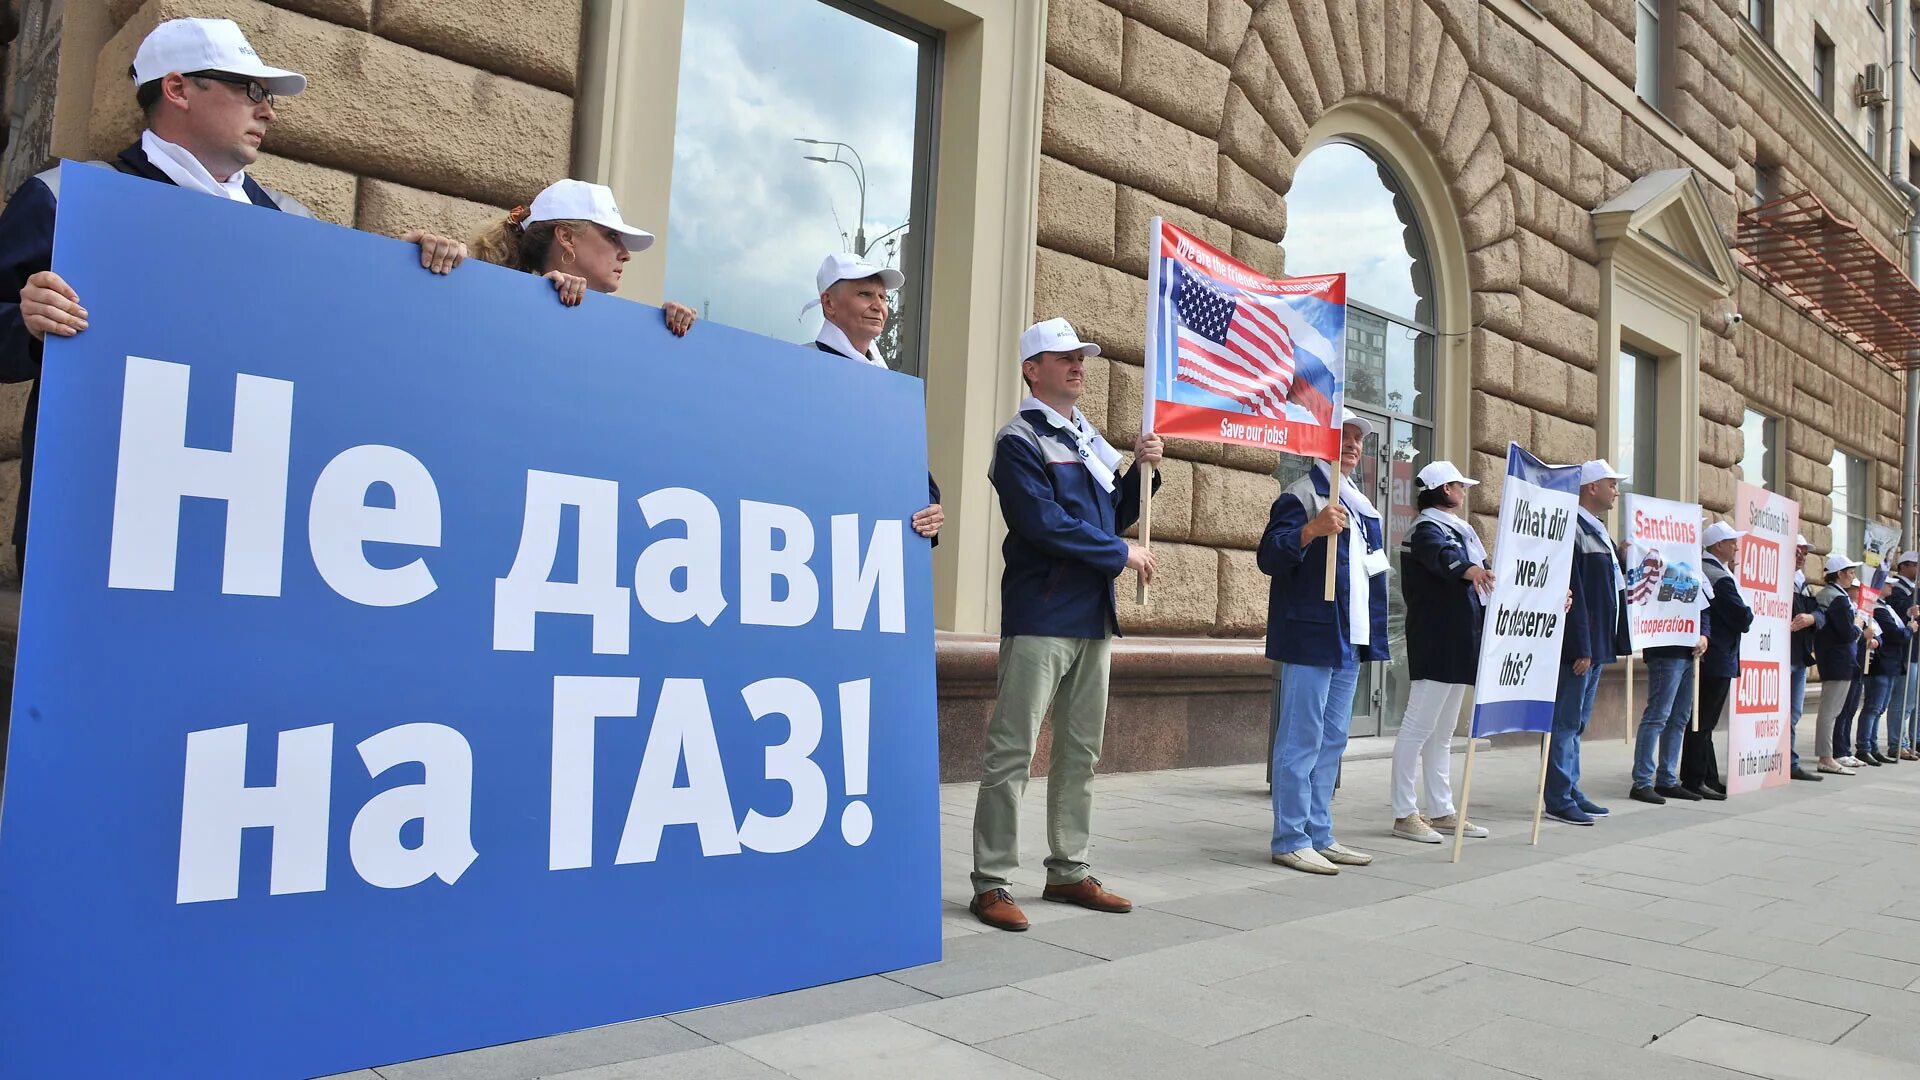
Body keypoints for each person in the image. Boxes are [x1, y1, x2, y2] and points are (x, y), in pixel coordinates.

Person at [0, 17, 468, 578]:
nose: (268, 110)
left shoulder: (294, 225)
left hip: (251, 537)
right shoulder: (66, 198)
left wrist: (404, 276)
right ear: (177, 90)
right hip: (92, 529)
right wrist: (25, 321)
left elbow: (344, 352)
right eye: (251, 90)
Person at [967, 317, 1161, 932]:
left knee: (1081, 751)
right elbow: (1042, 523)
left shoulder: (1087, 438)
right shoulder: (1017, 439)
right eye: (1063, 356)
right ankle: (991, 880)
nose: (1078, 364)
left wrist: (1142, 470)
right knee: (1013, 751)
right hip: (1041, 613)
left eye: (1081, 356)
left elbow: (1118, 515)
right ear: (1032, 368)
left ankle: (1068, 869)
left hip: (1090, 616)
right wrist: (1119, 556)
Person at [1259, 409, 1389, 874]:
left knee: (1332, 739)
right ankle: (1290, 836)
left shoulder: (1360, 503)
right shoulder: (1301, 495)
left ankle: (1319, 831)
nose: (1352, 444)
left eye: (1357, 439)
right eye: (1344, 437)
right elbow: (1269, 556)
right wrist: (1311, 531)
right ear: (1321, 442)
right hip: (1311, 636)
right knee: (1301, 738)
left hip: (1347, 638)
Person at [1390, 460, 1491, 844]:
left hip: (1459, 638)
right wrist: (1473, 571)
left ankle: (1442, 810)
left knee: (1443, 732)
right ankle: (1404, 813)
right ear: (1446, 489)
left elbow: (1478, 569)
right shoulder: (1427, 529)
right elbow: (1446, 561)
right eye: (1460, 486)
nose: (1464, 492)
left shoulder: (1458, 530)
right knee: (1418, 728)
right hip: (1436, 638)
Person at [811, 253, 942, 544]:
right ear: (829, 303)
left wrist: (931, 508)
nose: (878, 306)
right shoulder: (798, 366)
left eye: (883, 297)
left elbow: (912, 468)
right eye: (864, 294)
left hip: (876, 551)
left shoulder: (893, 385)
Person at [470, 178, 696, 336]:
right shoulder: (502, 309)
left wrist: (666, 329)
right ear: (567, 237)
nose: (626, 255)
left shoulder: (613, 329)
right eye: (612, 236)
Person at [1545, 460, 1632, 826]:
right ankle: (1559, 797)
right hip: (1581, 647)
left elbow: (1609, 587)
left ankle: (1571, 789)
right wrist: (1579, 645)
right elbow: (1573, 590)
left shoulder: (1597, 531)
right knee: (1565, 723)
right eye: (1611, 484)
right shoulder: (1572, 527)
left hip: (1596, 643)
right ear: (1591, 487)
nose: (1616, 491)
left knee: (1577, 723)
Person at [1678, 522, 1754, 800]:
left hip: (1717, 654)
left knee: (1704, 720)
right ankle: (1695, 778)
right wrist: (1746, 614)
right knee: (1702, 720)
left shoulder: (1716, 572)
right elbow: (1742, 616)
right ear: (1719, 545)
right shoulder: (1717, 576)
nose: (1736, 546)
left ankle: (1706, 776)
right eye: (1732, 542)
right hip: (1717, 656)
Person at [1627, 609, 1707, 805]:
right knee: (1657, 716)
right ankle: (1642, 781)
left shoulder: (1696, 576)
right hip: (1665, 649)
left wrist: (1704, 634)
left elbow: (1703, 606)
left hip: (1690, 651)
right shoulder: (1654, 576)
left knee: (1679, 717)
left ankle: (1666, 779)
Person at [1814, 553, 1865, 775]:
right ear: (1840, 574)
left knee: (1830, 711)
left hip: (1832, 659)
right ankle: (1826, 757)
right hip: (1839, 660)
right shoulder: (1839, 599)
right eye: (1851, 573)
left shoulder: (1828, 595)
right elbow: (1846, 633)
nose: (1852, 577)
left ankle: (1828, 755)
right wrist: (1858, 626)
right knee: (1830, 712)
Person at [1858, 576, 1907, 766]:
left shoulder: (1885, 606)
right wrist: (1909, 629)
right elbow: (1894, 633)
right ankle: (1864, 747)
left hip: (1889, 664)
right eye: (1887, 583)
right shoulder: (1876, 608)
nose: (1891, 586)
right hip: (1881, 665)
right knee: (1873, 708)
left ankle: (1872, 745)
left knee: (1879, 709)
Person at [1788, 535, 1825, 781]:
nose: (1801, 556)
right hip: (1780, 654)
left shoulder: (1803, 582)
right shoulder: (1777, 578)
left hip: (1800, 656)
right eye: (1797, 551)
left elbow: (1821, 613)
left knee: (1794, 712)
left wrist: (1812, 618)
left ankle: (1789, 761)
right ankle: (1783, 761)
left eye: (1804, 553)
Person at [1888, 552, 1920, 760]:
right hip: (1906, 653)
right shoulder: (1898, 589)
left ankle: (1915, 738)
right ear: (1904, 566)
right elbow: (1898, 615)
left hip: (1917, 651)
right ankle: (1898, 742)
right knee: (1904, 700)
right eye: (1915, 565)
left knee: (1915, 701)